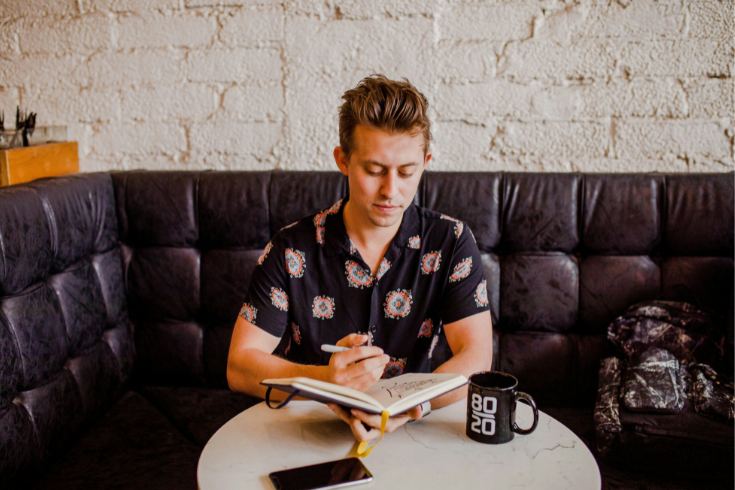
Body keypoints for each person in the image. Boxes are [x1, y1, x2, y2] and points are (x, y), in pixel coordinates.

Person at [227, 74, 493, 443]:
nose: (390, 190)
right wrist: (325, 379)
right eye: (374, 170)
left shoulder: (451, 241)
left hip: (412, 431)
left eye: (406, 171)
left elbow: (477, 356)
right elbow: (239, 365)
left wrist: (409, 407)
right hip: (304, 428)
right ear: (343, 160)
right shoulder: (291, 248)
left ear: (426, 161)